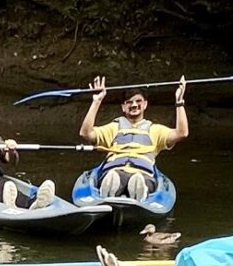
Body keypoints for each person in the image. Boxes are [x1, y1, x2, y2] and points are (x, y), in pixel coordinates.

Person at [79, 73, 187, 202]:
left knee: (138, 179)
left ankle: (137, 198)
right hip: (115, 171)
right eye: (129, 102)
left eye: (138, 101)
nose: (134, 105)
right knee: (112, 177)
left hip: (143, 174)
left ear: (145, 104)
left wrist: (179, 102)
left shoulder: (155, 130)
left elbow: (181, 133)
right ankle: (108, 197)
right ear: (123, 107)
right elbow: (85, 133)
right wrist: (96, 101)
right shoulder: (113, 127)